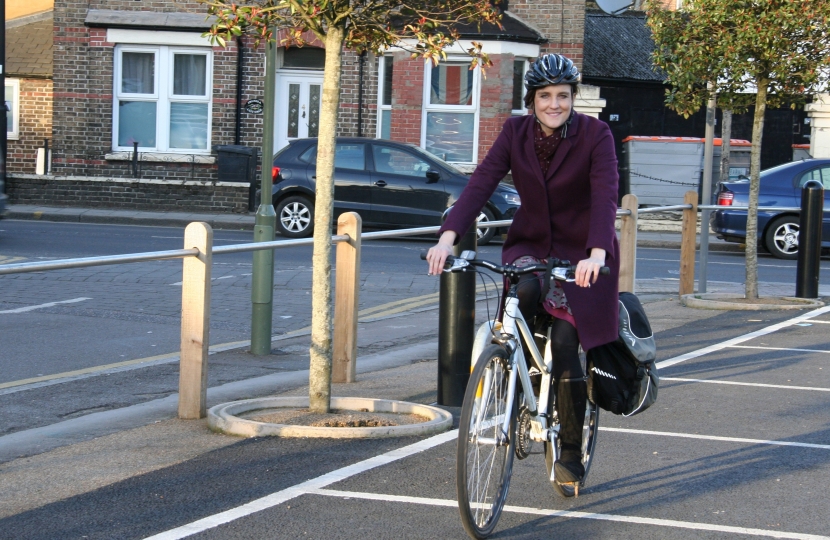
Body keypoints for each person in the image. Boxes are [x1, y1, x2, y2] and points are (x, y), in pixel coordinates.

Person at [426, 53, 620, 494]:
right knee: (523, 299)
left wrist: (596, 253)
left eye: (563, 96)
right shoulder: (515, 132)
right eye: (545, 96)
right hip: (531, 245)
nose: (555, 104)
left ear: (573, 97)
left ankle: (569, 451)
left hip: (582, 253)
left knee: (567, 343)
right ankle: (524, 379)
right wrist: (447, 238)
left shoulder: (596, 135)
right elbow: (481, 183)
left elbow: (606, 194)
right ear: (531, 100)